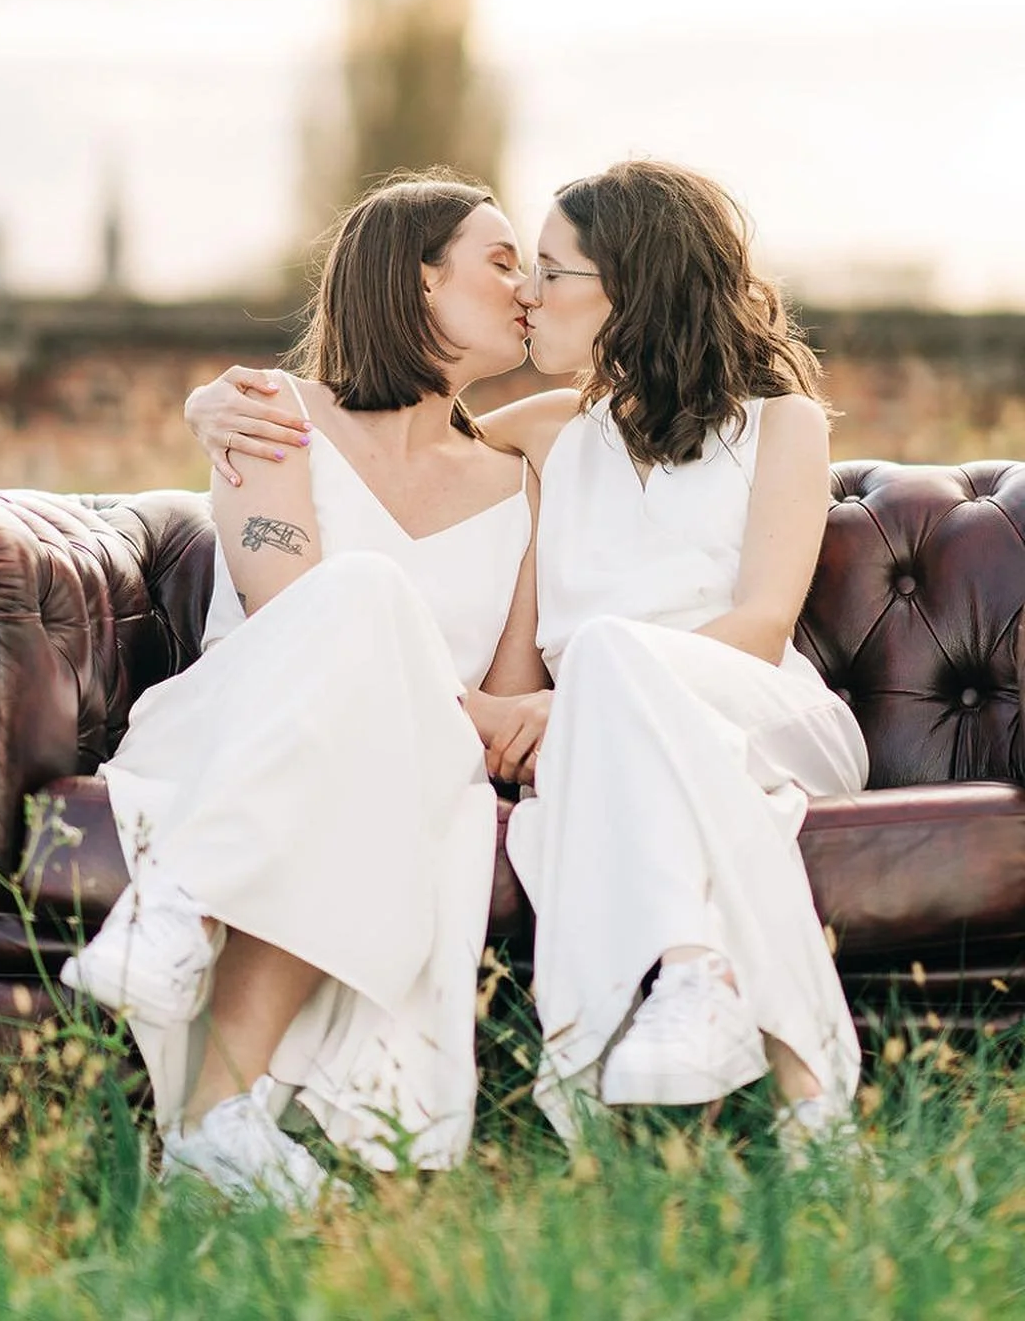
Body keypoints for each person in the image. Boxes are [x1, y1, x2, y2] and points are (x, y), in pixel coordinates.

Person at [187, 160, 868, 1153]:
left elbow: (763, 626)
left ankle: (700, 982)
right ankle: (805, 1106)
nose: (526, 293)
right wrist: (216, 409)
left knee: (605, 658)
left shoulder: (780, 426)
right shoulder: (550, 431)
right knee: (704, 800)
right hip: (609, 747)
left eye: (550, 272)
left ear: (627, 289)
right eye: (521, 269)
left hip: (762, 714)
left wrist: (590, 694)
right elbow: (380, 444)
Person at [63, 173, 545, 1208]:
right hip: (243, 727)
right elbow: (292, 616)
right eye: (500, 260)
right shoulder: (273, 416)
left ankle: (201, 1033)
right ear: (418, 280)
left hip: (418, 760)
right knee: (353, 602)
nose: (528, 286)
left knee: (369, 686)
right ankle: (212, 1067)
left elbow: (503, 705)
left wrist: (503, 721)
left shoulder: (519, 480)